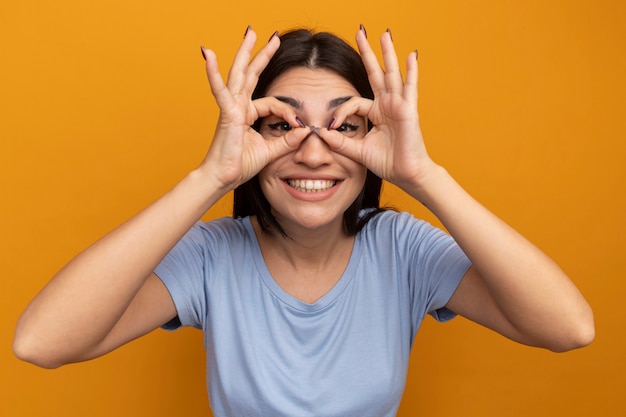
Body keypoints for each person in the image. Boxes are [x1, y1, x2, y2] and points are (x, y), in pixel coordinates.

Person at [13, 26, 594, 416]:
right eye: (281, 126)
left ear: (376, 141)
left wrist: (422, 175)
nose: (313, 154)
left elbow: (569, 329)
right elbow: (41, 342)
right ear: (251, 138)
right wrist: (210, 177)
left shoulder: (403, 250)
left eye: (345, 127)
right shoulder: (211, 256)